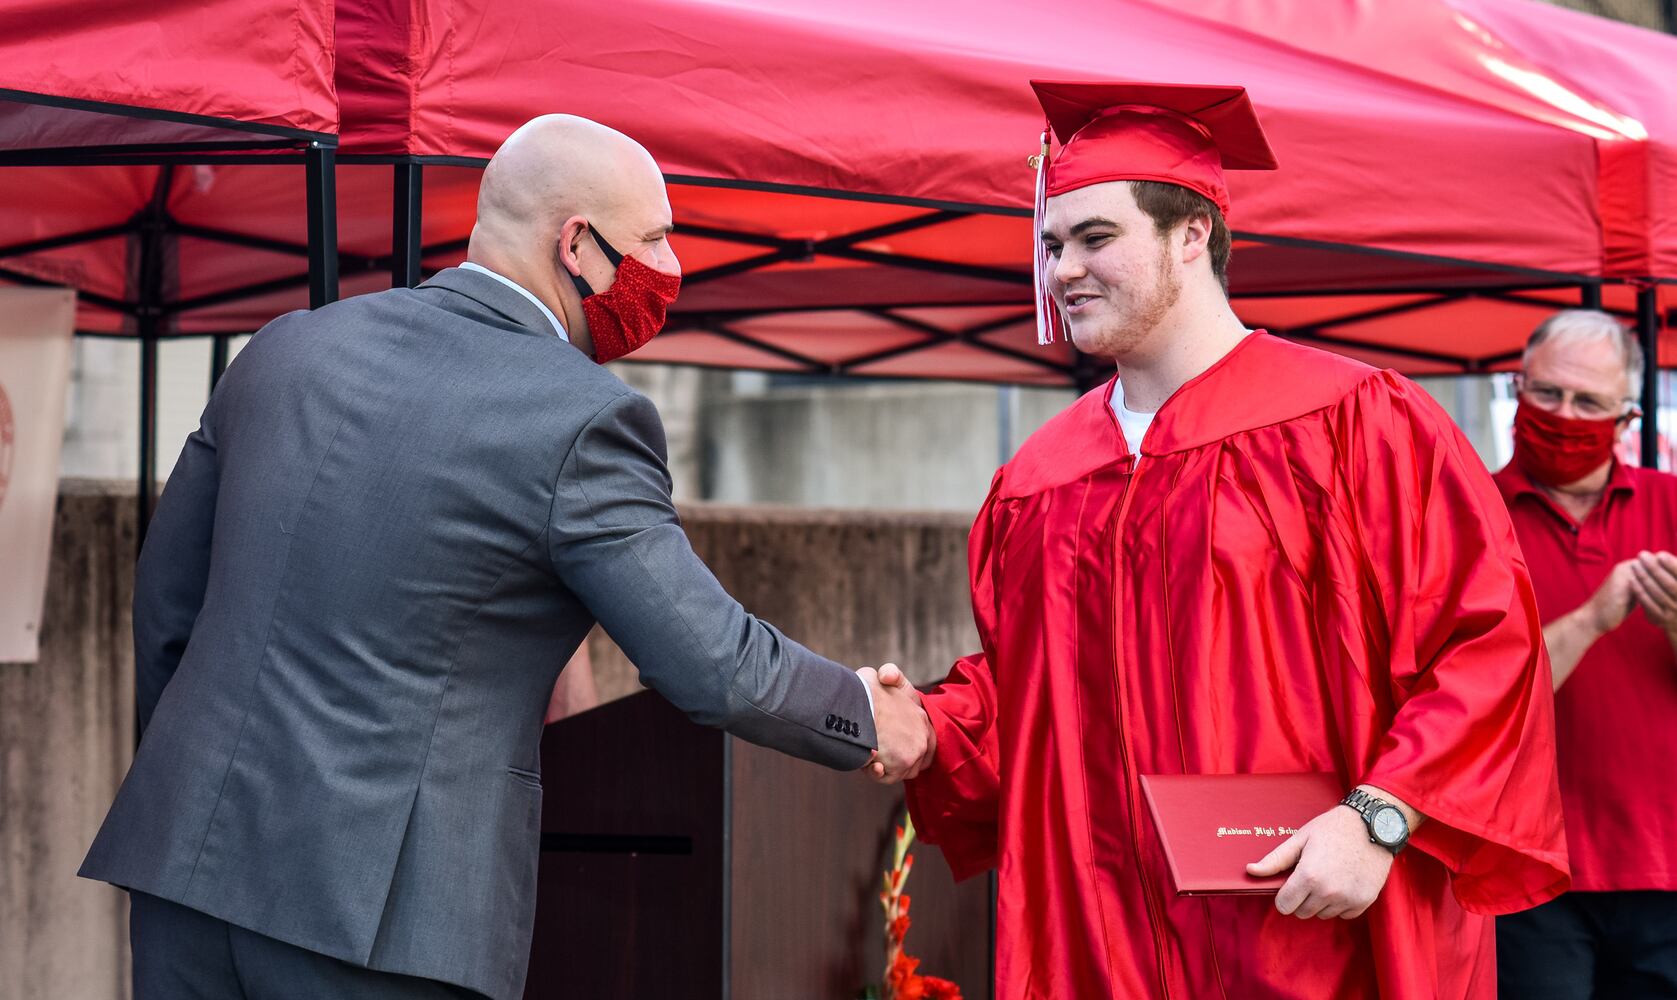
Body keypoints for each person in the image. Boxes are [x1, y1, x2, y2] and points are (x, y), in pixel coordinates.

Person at [79, 115, 933, 1000]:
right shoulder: (583, 416)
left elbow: (168, 605)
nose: (671, 269)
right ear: (576, 244)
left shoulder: (286, 347)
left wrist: (200, 779)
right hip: (382, 918)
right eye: (654, 240)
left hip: (186, 867)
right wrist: (868, 715)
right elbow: (711, 662)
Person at [890, 80, 1568, 998]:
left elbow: (1485, 643)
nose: (1062, 271)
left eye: (1095, 239)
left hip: (1314, 925)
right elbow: (1024, 697)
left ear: (1191, 234)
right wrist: (929, 727)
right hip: (1101, 942)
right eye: (1052, 245)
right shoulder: (1037, 479)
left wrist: (1381, 819)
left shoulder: (1356, 422)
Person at [1491, 309, 1677, 998]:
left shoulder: (1671, 505)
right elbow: (1473, 698)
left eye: (1587, 402)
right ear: (1517, 386)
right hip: (1525, 863)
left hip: (1665, 866)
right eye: (1545, 393)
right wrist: (1592, 619)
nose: (1563, 414)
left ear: (1625, 419)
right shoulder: (1469, 513)